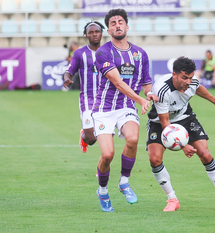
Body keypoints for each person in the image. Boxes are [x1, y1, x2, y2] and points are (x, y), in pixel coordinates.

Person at [146, 56, 215, 212]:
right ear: (174, 74)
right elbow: (166, 123)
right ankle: (172, 199)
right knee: (154, 159)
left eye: (190, 77)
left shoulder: (192, 81)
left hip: (185, 118)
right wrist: (183, 146)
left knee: (205, 153)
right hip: (160, 123)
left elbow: (198, 88)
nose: (188, 82)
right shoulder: (162, 90)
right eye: (184, 78)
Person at [92, 9, 158, 212]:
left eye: (121, 22)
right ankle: (102, 191)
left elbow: (146, 82)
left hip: (126, 107)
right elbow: (118, 82)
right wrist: (140, 99)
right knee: (108, 155)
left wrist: (149, 95)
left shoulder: (140, 53)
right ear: (109, 29)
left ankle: (124, 182)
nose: (117, 25)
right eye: (113, 23)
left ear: (127, 27)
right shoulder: (103, 52)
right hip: (104, 109)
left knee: (132, 139)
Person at [63, 21, 105, 153]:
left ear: (101, 34)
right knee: (91, 139)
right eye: (90, 32)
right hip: (87, 100)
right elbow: (68, 72)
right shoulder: (79, 53)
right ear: (86, 35)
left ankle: (103, 171)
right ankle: (84, 135)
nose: (94, 34)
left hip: (106, 100)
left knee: (105, 138)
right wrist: (67, 79)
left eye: (96, 31)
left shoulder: (109, 52)